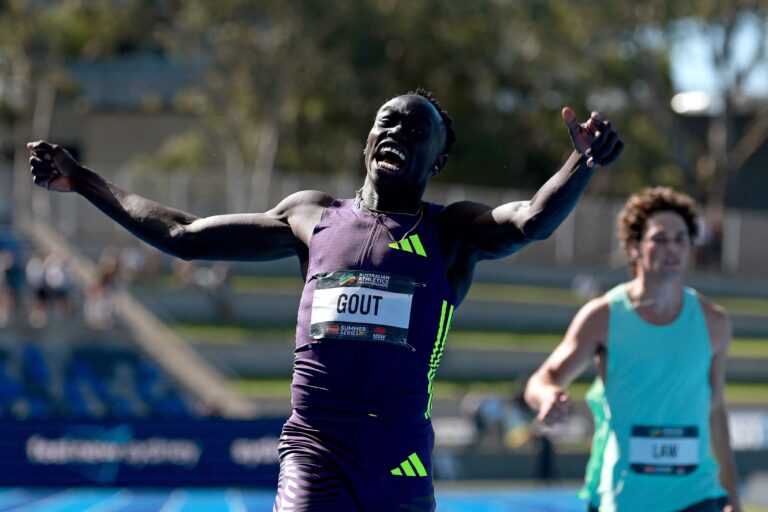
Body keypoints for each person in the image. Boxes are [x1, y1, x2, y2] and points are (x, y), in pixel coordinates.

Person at [28, 88, 622, 512]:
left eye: (418, 132)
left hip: (399, 457)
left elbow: (531, 220)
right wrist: (82, 181)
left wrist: (581, 162)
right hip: (315, 447)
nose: (397, 133)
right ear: (367, 139)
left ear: (437, 161)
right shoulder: (310, 215)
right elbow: (184, 236)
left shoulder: (452, 233)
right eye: (387, 121)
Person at [524, 187, 741, 512]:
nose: (672, 248)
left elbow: (716, 409)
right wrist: (549, 396)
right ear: (634, 247)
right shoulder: (602, 316)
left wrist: (732, 496)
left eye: (681, 238)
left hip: (697, 497)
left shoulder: (714, 322)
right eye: (660, 238)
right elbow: (542, 379)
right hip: (623, 498)